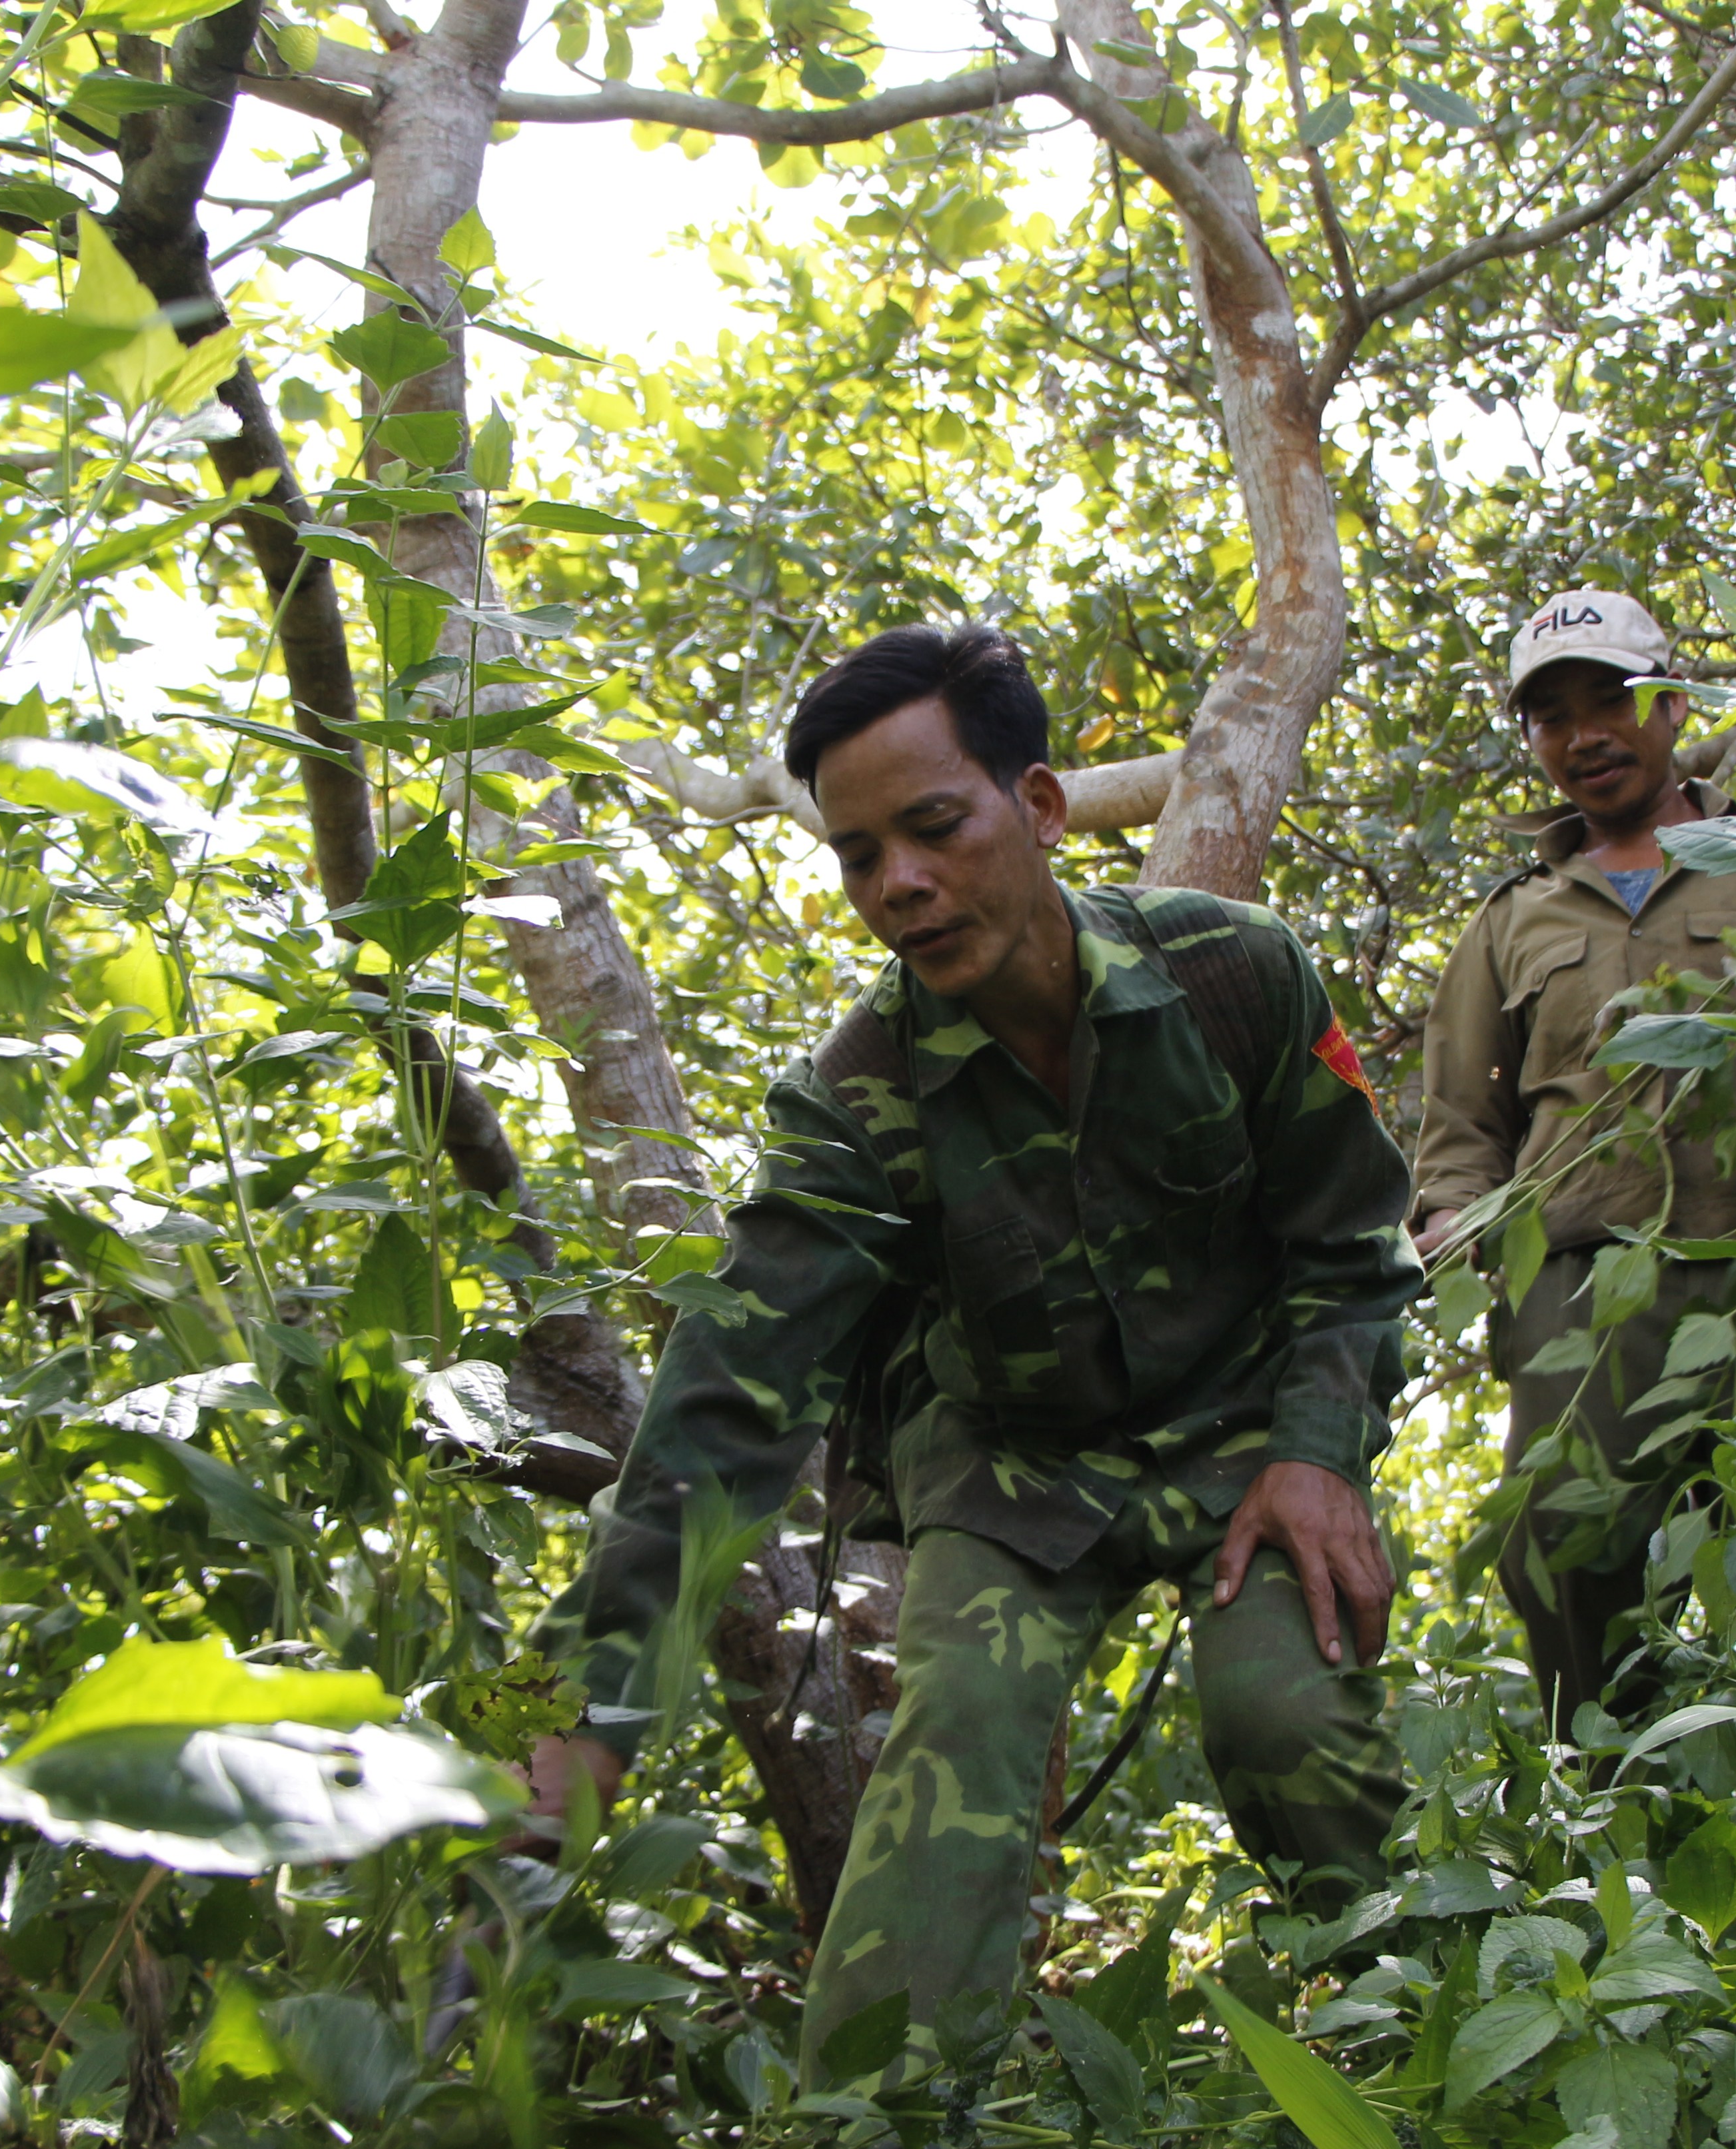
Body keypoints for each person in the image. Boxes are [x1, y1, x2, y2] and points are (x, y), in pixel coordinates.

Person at [528, 622, 1425, 2071]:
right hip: (1011, 1480)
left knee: (1284, 1713)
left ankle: (1436, 2047)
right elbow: (720, 1409)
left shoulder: (1235, 980)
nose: (900, 887)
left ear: (1043, 806)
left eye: (934, 828)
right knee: (956, 1736)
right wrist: (571, 1719)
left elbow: (1351, 1247)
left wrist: (1320, 1458)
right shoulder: (855, 1097)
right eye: (859, 855)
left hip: (1244, 1448)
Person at [1409, 589, 1736, 1732]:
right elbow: (1461, 1125)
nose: (1581, 735)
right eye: (1550, 717)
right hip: (1584, 1285)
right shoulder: (1512, 918)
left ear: (1671, 705)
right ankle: (1612, 1834)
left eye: (1608, 702)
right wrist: (1452, 1227)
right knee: (1568, 1562)